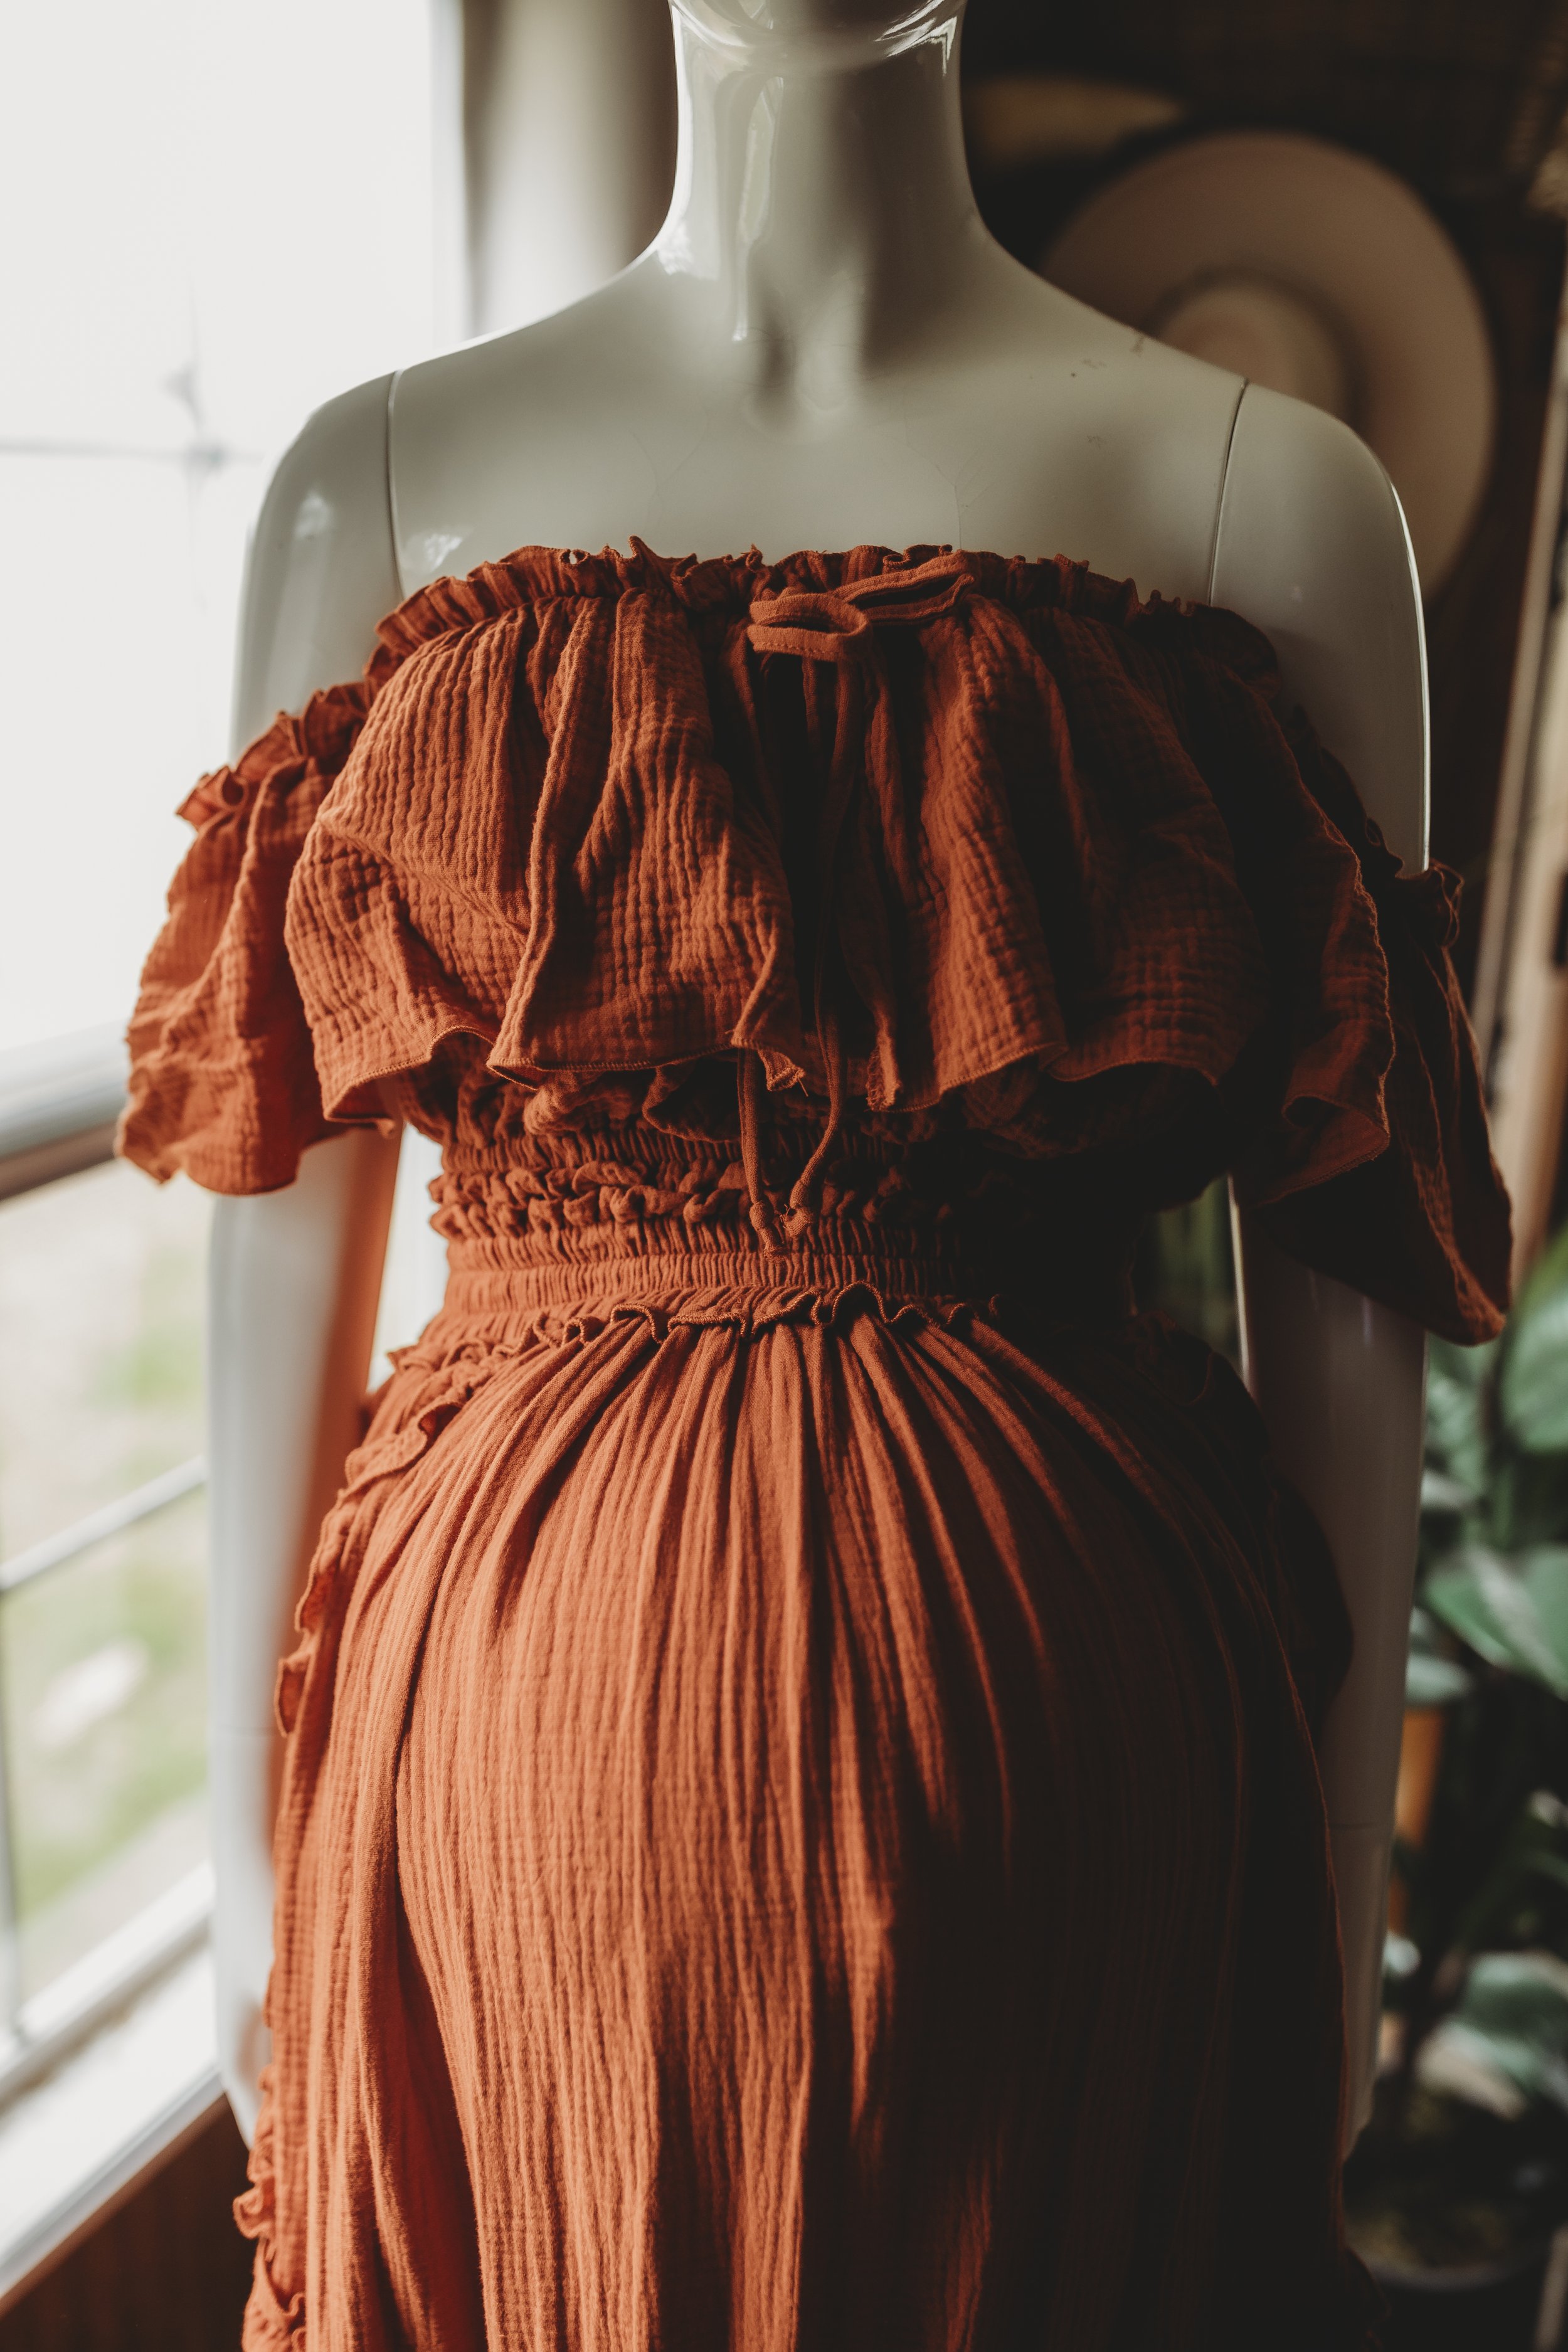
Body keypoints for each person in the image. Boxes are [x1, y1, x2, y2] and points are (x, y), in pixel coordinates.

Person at [119, 3, 1511, 2344]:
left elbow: (1346, 1276)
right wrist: (246, 1877)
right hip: (507, 1761)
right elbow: (275, 1234)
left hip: (1065, 1788)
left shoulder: (1269, 506)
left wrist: (1333, 1924)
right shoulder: (373, 484)